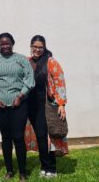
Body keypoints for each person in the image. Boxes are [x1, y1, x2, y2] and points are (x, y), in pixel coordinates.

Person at [0, 32, 35, 182]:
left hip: (18, 105)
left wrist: (20, 97)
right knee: (5, 138)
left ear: (12, 44)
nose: (5, 46)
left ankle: (22, 172)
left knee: (18, 138)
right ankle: (9, 170)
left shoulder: (21, 60)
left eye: (7, 43)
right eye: (2, 44)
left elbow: (30, 79)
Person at [24, 35, 69, 179]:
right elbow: (12, 62)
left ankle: (51, 167)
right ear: (31, 47)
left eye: (40, 47)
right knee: (39, 137)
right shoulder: (27, 61)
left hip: (45, 105)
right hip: (30, 106)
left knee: (46, 137)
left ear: (44, 47)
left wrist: (61, 103)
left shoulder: (50, 62)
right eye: (35, 47)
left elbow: (59, 81)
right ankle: (44, 166)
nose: (37, 49)